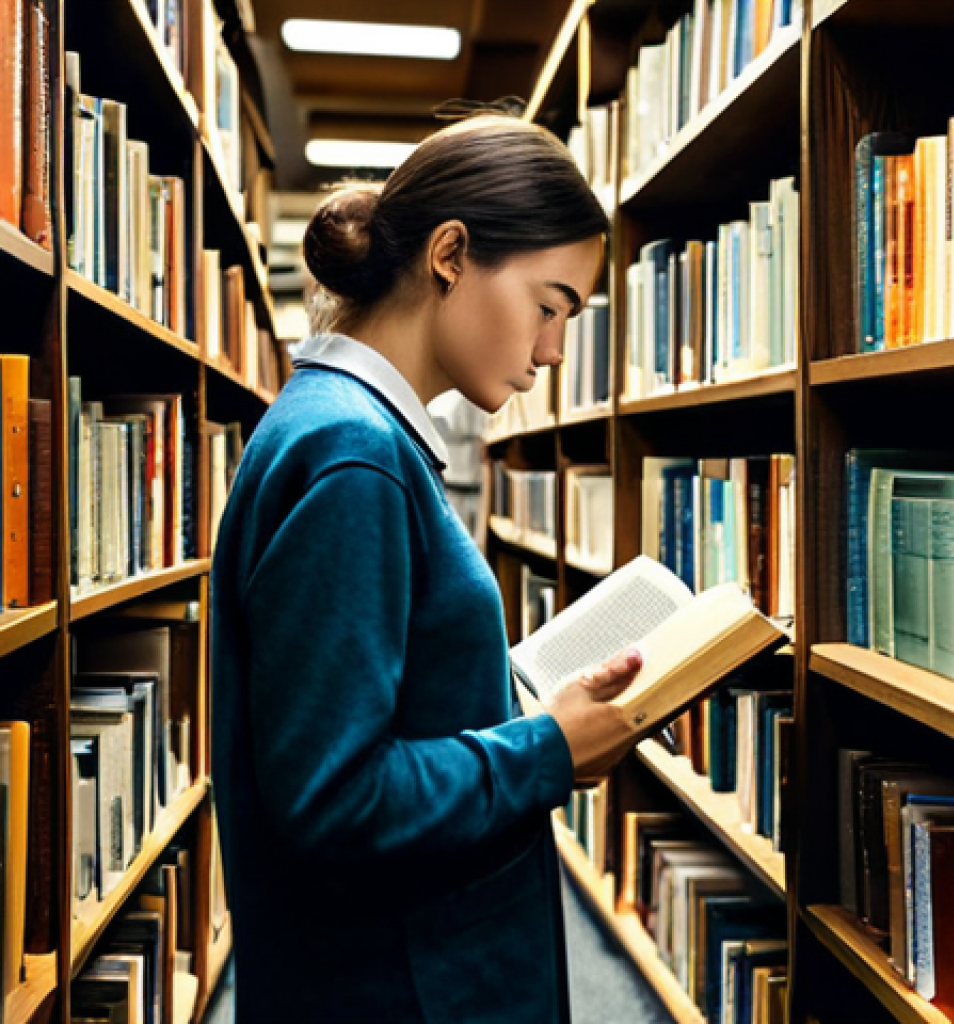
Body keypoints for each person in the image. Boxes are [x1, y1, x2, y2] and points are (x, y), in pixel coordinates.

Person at [210, 113, 644, 1024]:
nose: (556, 350)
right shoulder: (351, 455)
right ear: (450, 253)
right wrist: (548, 749)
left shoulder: (347, 430)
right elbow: (334, 798)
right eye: (550, 304)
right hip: (399, 986)